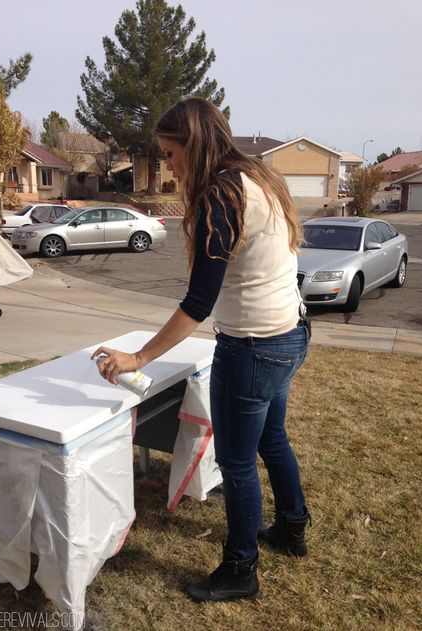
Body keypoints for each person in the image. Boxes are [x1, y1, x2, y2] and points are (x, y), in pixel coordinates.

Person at [91, 97, 310, 603]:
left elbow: (197, 304)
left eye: (169, 153)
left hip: (255, 346)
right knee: (271, 439)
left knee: (235, 462)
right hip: (291, 333)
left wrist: (138, 358)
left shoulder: (221, 195)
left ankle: (240, 569)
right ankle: (292, 527)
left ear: (193, 144)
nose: (168, 165)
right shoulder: (260, 177)